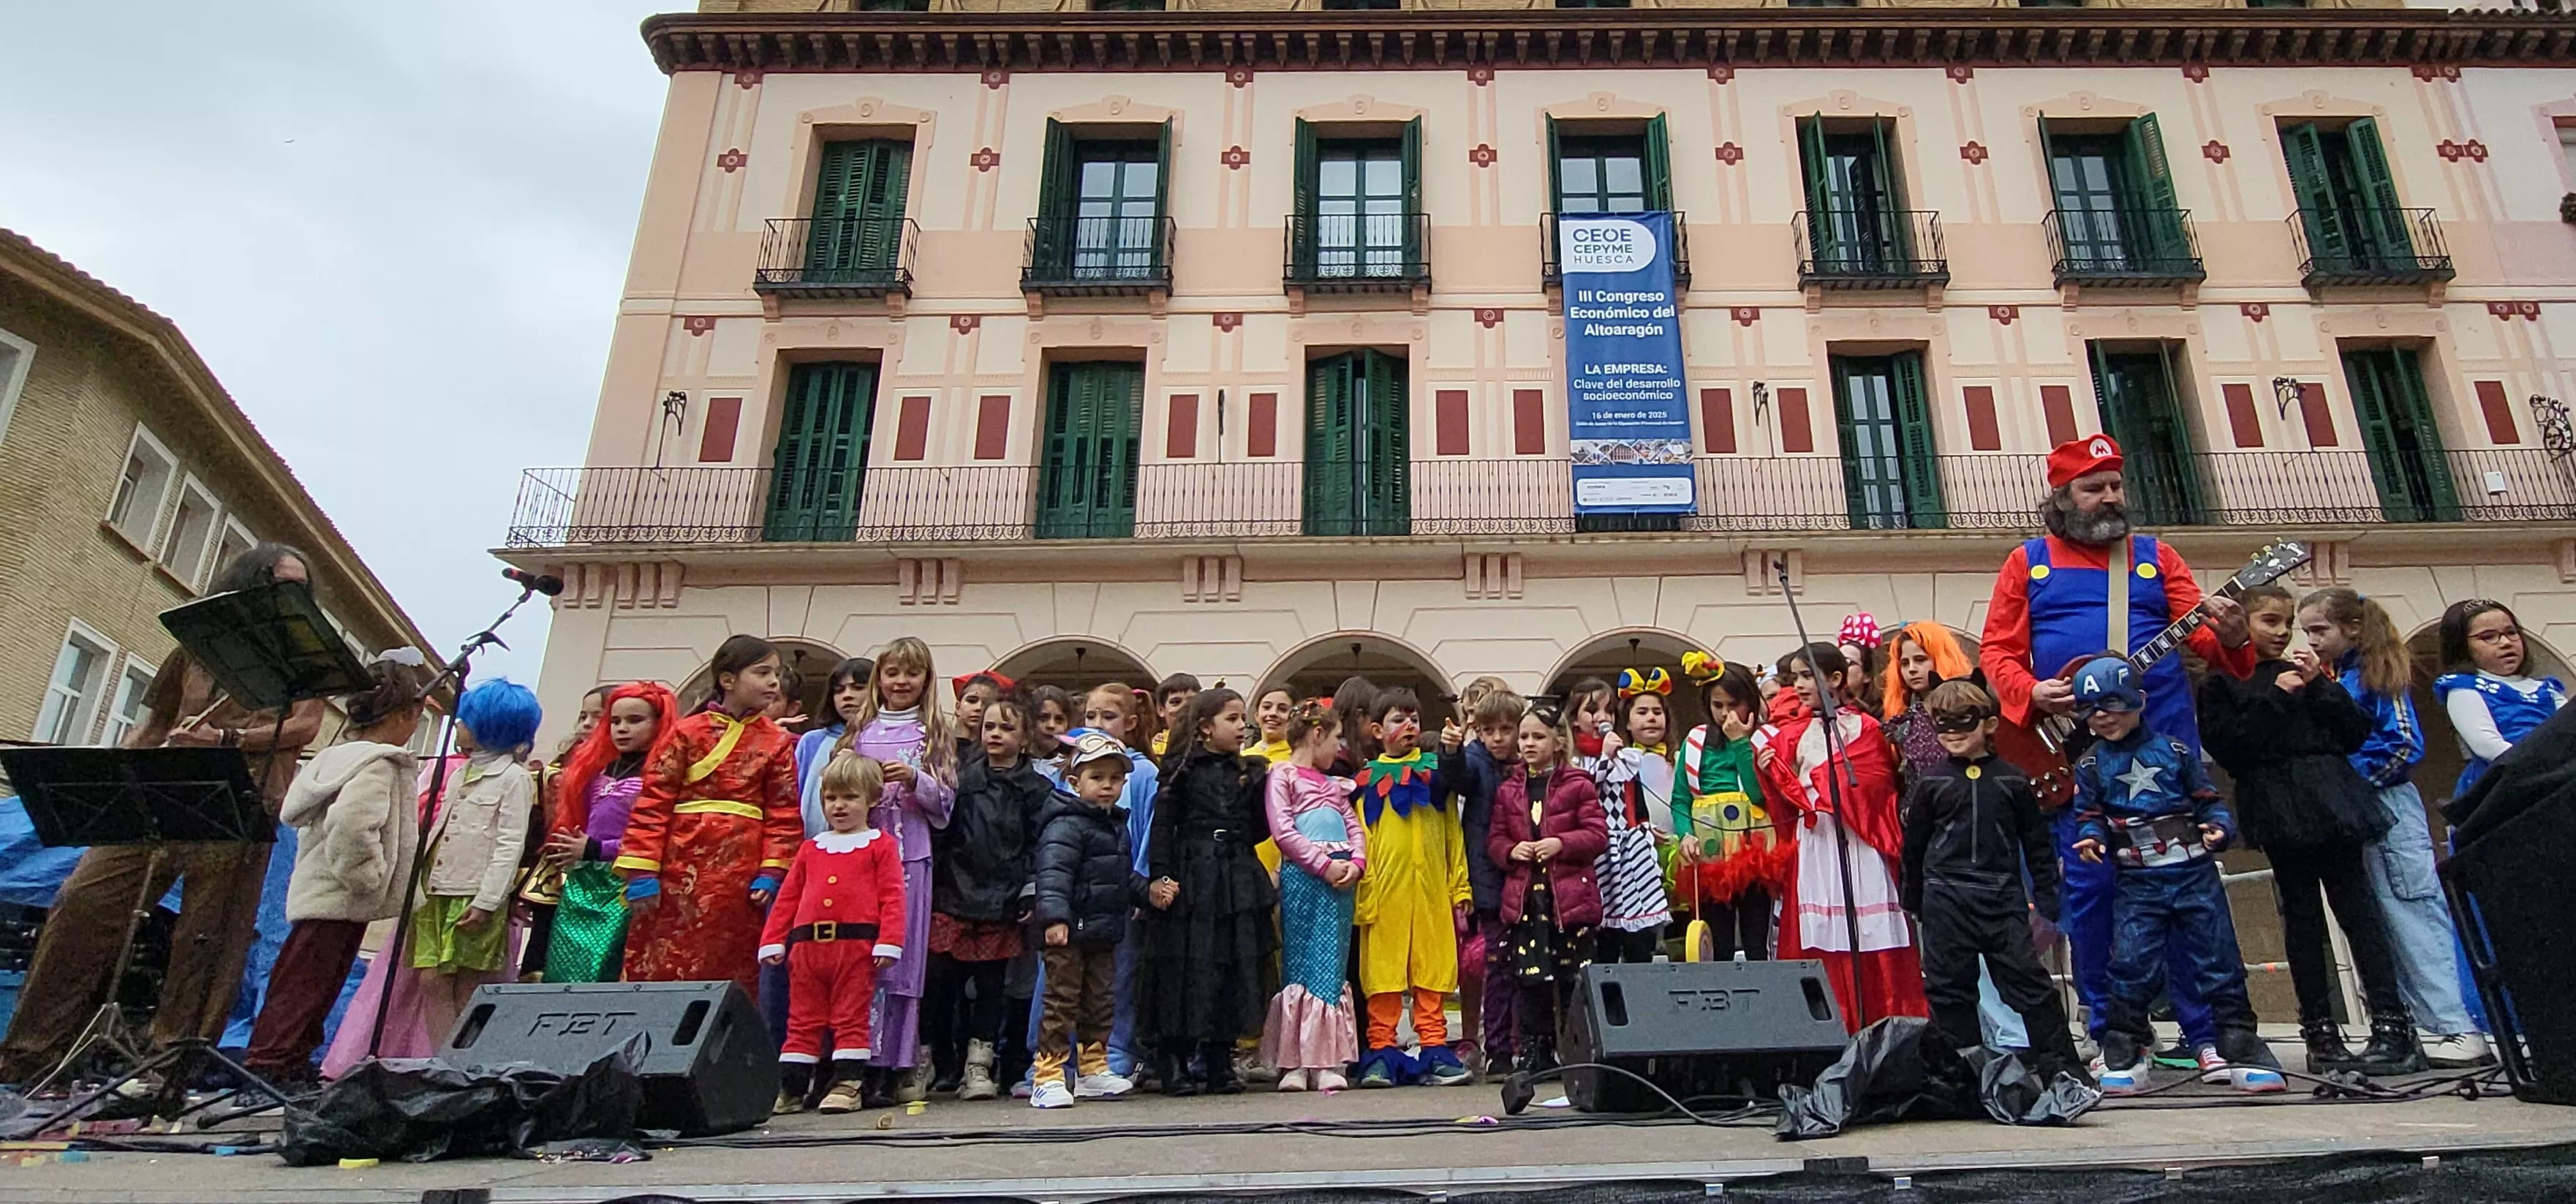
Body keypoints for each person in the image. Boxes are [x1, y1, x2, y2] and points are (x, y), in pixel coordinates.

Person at [0, 544, 330, 1087]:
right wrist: (117, 779)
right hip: (163, 789)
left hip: (242, 800)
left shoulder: (302, 657)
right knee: (82, 902)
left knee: (208, 939)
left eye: (298, 586)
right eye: (277, 581)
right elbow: (153, 723)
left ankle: (168, 1068)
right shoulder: (196, 645)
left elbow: (304, 728)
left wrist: (225, 738)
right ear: (246, 583)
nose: (288, 593)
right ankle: (28, 1058)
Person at [1978, 434, 2249, 1063]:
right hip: (2077, 762)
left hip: (2163, 761)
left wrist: (2232, 635)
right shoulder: (2028, 563)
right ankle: (2114, 1035)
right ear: (2063, 497)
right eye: (2092, 488)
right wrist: (2031, 692)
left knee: (2187, 898)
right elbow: (1995, 652)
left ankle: (2206, 1034)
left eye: (2114, 485)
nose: (2108, 497)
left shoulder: (2156, 559)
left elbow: (2215, 651)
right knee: (2091, 895)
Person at [2198, 587, 2420, 1075]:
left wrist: (2318, 686)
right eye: (2269, 622)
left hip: (2330, 794)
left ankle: (2391, 1025)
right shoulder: (2221, 684)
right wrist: (2276, 700)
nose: (2280, 633)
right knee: (2300, 917)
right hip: (2275, 799)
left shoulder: (2306, 671)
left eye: (2286, 623)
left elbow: (2355, 731)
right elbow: (2230, 749)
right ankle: (2319, 1030)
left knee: (2357, 911)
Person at [2064, 655, 2283, 1094]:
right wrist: (2093, 838)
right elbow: (2089, 813)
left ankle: (2239, 1043)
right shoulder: (2090, 766)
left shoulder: (2176, 753)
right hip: (2137, 880)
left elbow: (2208, 799)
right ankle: (2125, 1047)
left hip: (2192, 873)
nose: (2102, 717)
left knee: (2218, 958)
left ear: (2139, 701)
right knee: (2130, 964)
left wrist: (2220, 827)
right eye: (2090, 710)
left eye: (2111, 704)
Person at [2299, 587, 2492, 1068]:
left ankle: (2454, 1024)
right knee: (2379, 918)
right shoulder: (2340, 677)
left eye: (2319, 630)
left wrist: (2350, 781)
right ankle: (2416, 1024)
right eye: (2307, 632)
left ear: (2353, 628)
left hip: (2386, 805)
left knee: (2411, 909)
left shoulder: (2374, 675)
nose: (2311, 640)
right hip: (2357, 808)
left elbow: (2403, 744)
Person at [241, 652, 434, 1088]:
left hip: (318, 889)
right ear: (405, 715)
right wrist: (367, 878)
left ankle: (287, 1061)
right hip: (342, 892)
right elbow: (352, 825)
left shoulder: (338, 757)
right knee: (310, 984)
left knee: (304, 979)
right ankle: (270, 1065)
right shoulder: (379, 764)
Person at [1897, 680, 2085, 1082]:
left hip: (2000, 896)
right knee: (1950, 991)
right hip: (1946, 897)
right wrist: (1911, 897)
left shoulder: (2013, 781)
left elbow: (2036, 844)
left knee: (2029, 986)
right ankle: (1962, 1077)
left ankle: (2063, 1071)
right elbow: (1914, 847)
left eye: (1963, 724)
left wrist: (2048, 893)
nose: (1953, 733)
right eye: (1942, 725)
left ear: (1989, 724)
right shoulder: (1932, 784)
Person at [617, 636, 802, 997]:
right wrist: (642, 872)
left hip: (741, 876)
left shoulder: (777, 741)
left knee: (730, 963)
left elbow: (783, 812)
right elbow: (653, 802)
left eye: (776, 674)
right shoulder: (686, 732)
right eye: (762, 673)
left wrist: (771, 871)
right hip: (677, 869)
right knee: (664, 961)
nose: (773, 682)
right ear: (728, 680)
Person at [1756, 645, 1927, 1032]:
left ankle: (1886, 1022)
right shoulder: (1792, 735)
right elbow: (1782, 803)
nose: (1799, 685)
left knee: (1869, 931)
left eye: (1807, 676)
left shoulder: (1865, 728)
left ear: (1835, 679)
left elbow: (1877, 782)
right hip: (1817, 843)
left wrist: (1821, 783)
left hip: (1859, 841)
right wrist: (1774, 775)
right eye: (1794, 678)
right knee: (1817, 934)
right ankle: (1825, 1023)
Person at [833, 636, 959, 1105]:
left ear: (926, 680)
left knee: (902, 961)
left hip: (911, 855)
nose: (901, 682)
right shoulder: (858, 730)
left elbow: (947, 800)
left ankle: (899, 1063)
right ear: (879, 679)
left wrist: (915, 780)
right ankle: (854, 1061)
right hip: (860, 855)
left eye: (912, 673)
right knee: (859, 957)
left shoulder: (934, 733)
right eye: (892, 673)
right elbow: (836, 790)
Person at [2431, 598, 2564, 1031]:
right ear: (2464, 646)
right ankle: (2511, 1023)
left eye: (2510, 633)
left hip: (2553, 799)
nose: (2505, 644)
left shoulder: (2549, 690)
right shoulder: (2464, 688)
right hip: (2496, 799)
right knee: (2502, 913)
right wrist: (2547, 765)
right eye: (2488, 637)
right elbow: (2489, 744)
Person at [1138, 689, 1277, 1095]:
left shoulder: (1247, 772)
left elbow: (1258, 829)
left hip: (1235, 872)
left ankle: (1219, 1057)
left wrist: (1256, 789)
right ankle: (1175, 1059)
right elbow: (1163, 827)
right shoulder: (1181, 771)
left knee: (1231, 962)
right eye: (1232, 719)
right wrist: (1160, 876)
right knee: (1188, 963)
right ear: (1204, 727)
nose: (1241, 727)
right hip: (1193, 872)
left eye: (1242, 720)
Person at [763, 754, 908, 1115]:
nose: (839, 806)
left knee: (850, 1015)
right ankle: (793, 1087)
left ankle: (847, 1083)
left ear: (872, 799)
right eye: (831, 798)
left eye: (850, 797)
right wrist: (773, 938)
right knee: (803, 1017)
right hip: (807, 949)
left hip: (855, 947)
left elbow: (892, 896)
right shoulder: (811, 848)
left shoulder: (880, 844)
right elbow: (789, 898)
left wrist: (889, 940)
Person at [404, 680, 543, 1046]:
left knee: (467, 983)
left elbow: (510, 844)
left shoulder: (513, 779)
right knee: (431, 979)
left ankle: (464, 1064)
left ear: (490, 727)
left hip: (473, 893)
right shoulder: (459, 772)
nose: (459, 727)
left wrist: (488, 901)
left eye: (466, 720)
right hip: (436, 889)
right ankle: (441, 1063)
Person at [927, 694, 1050, 1102]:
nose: (995, 734)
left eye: (1007, 728)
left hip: (1003, 899)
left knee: (991, 987)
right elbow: (943, 834)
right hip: (954, 893)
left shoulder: (1036, 789)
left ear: (1026, 737)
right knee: (941, 983)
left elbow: (1038, 845)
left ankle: (980, 1065)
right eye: (990, 727)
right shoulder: (960, 778)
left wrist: (1030, 889)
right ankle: (935, 1060)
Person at [1351, 687, 1473, 1088]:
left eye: (1415, 720)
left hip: (1432, 891)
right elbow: (1360, 837)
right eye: (1398, 720)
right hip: (1384, 893)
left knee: (1431, 969)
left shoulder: (1436, 775)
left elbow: (1454, 832)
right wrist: (1362, 889)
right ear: (1376, 730)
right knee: (1383, 974)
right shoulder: (1365, 783)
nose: (1409, 727)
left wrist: (1460, 888)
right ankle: (1382, 1050)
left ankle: (1435, 1047)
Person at [1030, 733, 1152, 1108]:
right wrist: (1054, 917)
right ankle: (1047, 1074)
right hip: (1067, 932)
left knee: (1100, 1000)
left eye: (1115, 779)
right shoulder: (1065, 824)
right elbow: (1053, 874)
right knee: (1061, 1000)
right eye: (1097, 778)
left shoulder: (1113, 824)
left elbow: (1120, 874)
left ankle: (1092, 1067)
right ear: (1074, 781)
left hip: (1102, 930)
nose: (1107, 786)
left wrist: (1148, 892)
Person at [1489, 699, 1609, 1076]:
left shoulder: (1578, 785)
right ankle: (1535, 1052)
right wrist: (1511, 850)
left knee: (1573, 978)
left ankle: (1577, 1051)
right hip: (1528, 900)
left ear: (1558, 742)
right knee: (1530, 978)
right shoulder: (1509, 788)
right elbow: (1494, 840)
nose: (1527, 743)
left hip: (1569, 900)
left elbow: (1597, 835)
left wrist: (1562, 843)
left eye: (1537, 736)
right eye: (1523, 737)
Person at [540, 681, 676, 984]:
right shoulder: (595, 772)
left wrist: (597, 849)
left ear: (659, 723)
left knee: (607, 975)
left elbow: (659, 836)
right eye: (615, 721)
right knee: (563, 974)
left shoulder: (662, 777)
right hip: (580, 887)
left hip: (626, 888)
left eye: (635, 721)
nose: (622, 729)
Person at [1262, 700, 1366, 1093]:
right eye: (1336, 739)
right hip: (1306, 876)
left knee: (1331, 962)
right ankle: (1294, 1061)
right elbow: (1283, 831)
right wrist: (1322, 865)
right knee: (1300, 959)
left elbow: (1354, 826)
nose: (1340, 749)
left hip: (1340, 880)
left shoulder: (1334, 786)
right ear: (1317, 734)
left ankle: (1327, 1059)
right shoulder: (1283, 775)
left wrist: (1356, 863)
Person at [1672, 657, 1787, 963]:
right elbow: (1681, 798)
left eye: (1734, 705)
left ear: (1750, 702)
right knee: (1717, 943)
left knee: (1756, 940)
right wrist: (1684, 834)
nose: (1725, 714)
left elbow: (1759, 796)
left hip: (1755, 855)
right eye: (1718, 705)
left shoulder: (1767, 739)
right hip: (1710, 855)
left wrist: (1740, 743)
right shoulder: (1695, 741)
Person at [521, 684, 613, 980]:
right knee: (540, 956)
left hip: (604, 878)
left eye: (596, 716)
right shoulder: (561, 767)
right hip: (556, 872)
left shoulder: (621, 770)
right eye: (583, 716)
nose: (586, 724)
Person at [1455, 684, 1522, 1075]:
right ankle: (1496, 1049)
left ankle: (1526, 1043)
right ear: (1477, 732)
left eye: (1505, 729)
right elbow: (1458, 777)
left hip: (1526, 877)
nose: (1498, 738)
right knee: (1496, 964)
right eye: (1489, 731)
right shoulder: (1474, 761)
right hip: (1488, 880)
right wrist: (1450, 752)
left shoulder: (1526, 763)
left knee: (1525, 965)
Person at [1590, 671, 1676, 963]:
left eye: (1657, 712)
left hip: (1663, 853)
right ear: (1627, 721)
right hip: (1621, 858)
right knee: (1615, 938)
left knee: (1660, 935)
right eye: (1642, 712)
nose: (1651, 718)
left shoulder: (1677, 757)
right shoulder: (1620, 761)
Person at [952, 671, 1013, 768]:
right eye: (972, 701)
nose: (979, 707)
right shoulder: (937, 746)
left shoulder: (998, 753)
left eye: (987, 703)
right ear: (958, 707)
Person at [1837, 613, 1886, 720]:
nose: (1839, 668)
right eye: (1836, 662)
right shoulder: (1826, 711)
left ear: (1867, 675)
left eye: (1847, 662)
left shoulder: (1883, 715)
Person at [1149, 674, 1203, 757]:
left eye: (1192, 701)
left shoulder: (1212, 744)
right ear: (1161, 710)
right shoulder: (1153, 751)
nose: (1185, 707)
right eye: (1176, 702)